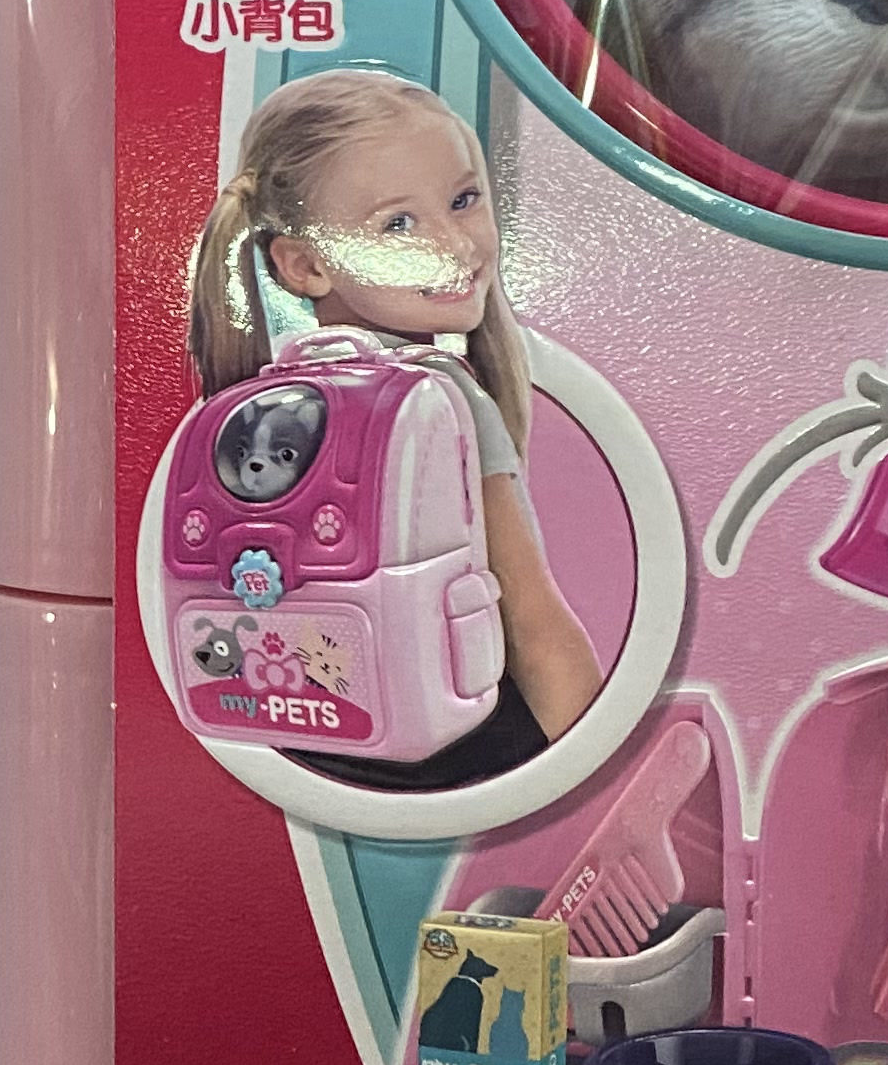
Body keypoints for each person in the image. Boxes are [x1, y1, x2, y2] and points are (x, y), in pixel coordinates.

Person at [185, 66, 603, 752]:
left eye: (464, 199)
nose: (457, 245)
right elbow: (534, 627)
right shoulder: (439, 396)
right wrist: (595, 768)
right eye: (399, 224)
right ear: (304, 266)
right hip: (464, 741)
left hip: (312, 725)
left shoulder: (263, 402)